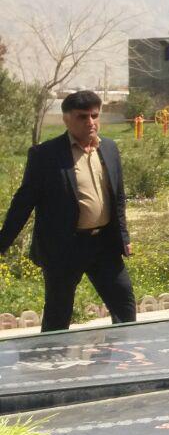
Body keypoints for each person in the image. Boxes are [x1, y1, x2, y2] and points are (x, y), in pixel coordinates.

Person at [0, 90, 136, 332]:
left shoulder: (109, 149)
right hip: (64, 248)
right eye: (82, 117)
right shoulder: (45, 155)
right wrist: (2, 243)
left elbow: (118, 198)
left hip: (104, 245)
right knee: (58, 316)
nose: (90, 122)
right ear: (66, 119)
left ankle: (123, 354)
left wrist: (124, 237)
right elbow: (23, 203)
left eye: (94, 115)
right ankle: (51, 356)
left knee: (124, 306)